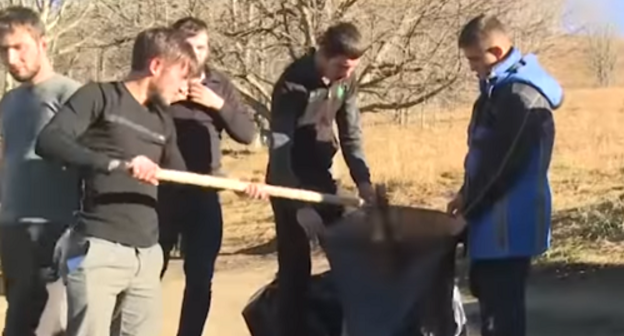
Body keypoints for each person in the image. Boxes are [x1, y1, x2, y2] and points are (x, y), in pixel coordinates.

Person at [34, 26, 198, 336]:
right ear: (156, 66)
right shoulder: (99, 96)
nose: (184, 85)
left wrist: (242, 187)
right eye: (181, 74)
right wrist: (116, 164)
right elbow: (49, 141)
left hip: (147, 255)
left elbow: (180, 178)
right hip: (97, 249)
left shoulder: (163, 119)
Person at [447, 14, 563, 336]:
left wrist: (468, 212)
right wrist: (463, 193)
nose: (471, 66)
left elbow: (504, 167)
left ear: (496, 52)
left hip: (507, 225)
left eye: (474, 58)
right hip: (492, 220)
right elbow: (484, 156)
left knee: (501, 317)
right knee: (490, 298)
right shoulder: (497, 90)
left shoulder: (519, 96)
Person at [265, 21, 376, 336]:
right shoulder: (292, 85)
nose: (347, 73)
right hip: (288, 180)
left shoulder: (346, 82)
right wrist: (297, 205)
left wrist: (364, 182)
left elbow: (351, 136)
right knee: (295, 270)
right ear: (324, 55)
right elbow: (280, 152)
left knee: (348, 258)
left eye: (352, 67)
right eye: (342, 66)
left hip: (324, 177)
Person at [157, 16, 258, 336]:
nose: (195, 53)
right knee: (145, 274)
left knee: (200, 277)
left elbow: (247, 135)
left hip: (205, 191)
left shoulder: (220, 84)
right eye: (188, 47)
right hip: (162, 192)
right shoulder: (158, 81)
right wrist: (164, 98)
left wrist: (218, 104)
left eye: (201, 46)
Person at [0, 6, 82, 336]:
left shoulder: (71, 95)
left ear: (42, 44)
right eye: (4, 49)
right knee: (19, 313)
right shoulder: (8, 101)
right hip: (11, 229)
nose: (11, 57)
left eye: (19, 47)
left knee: (45, 323)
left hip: (55, 229)